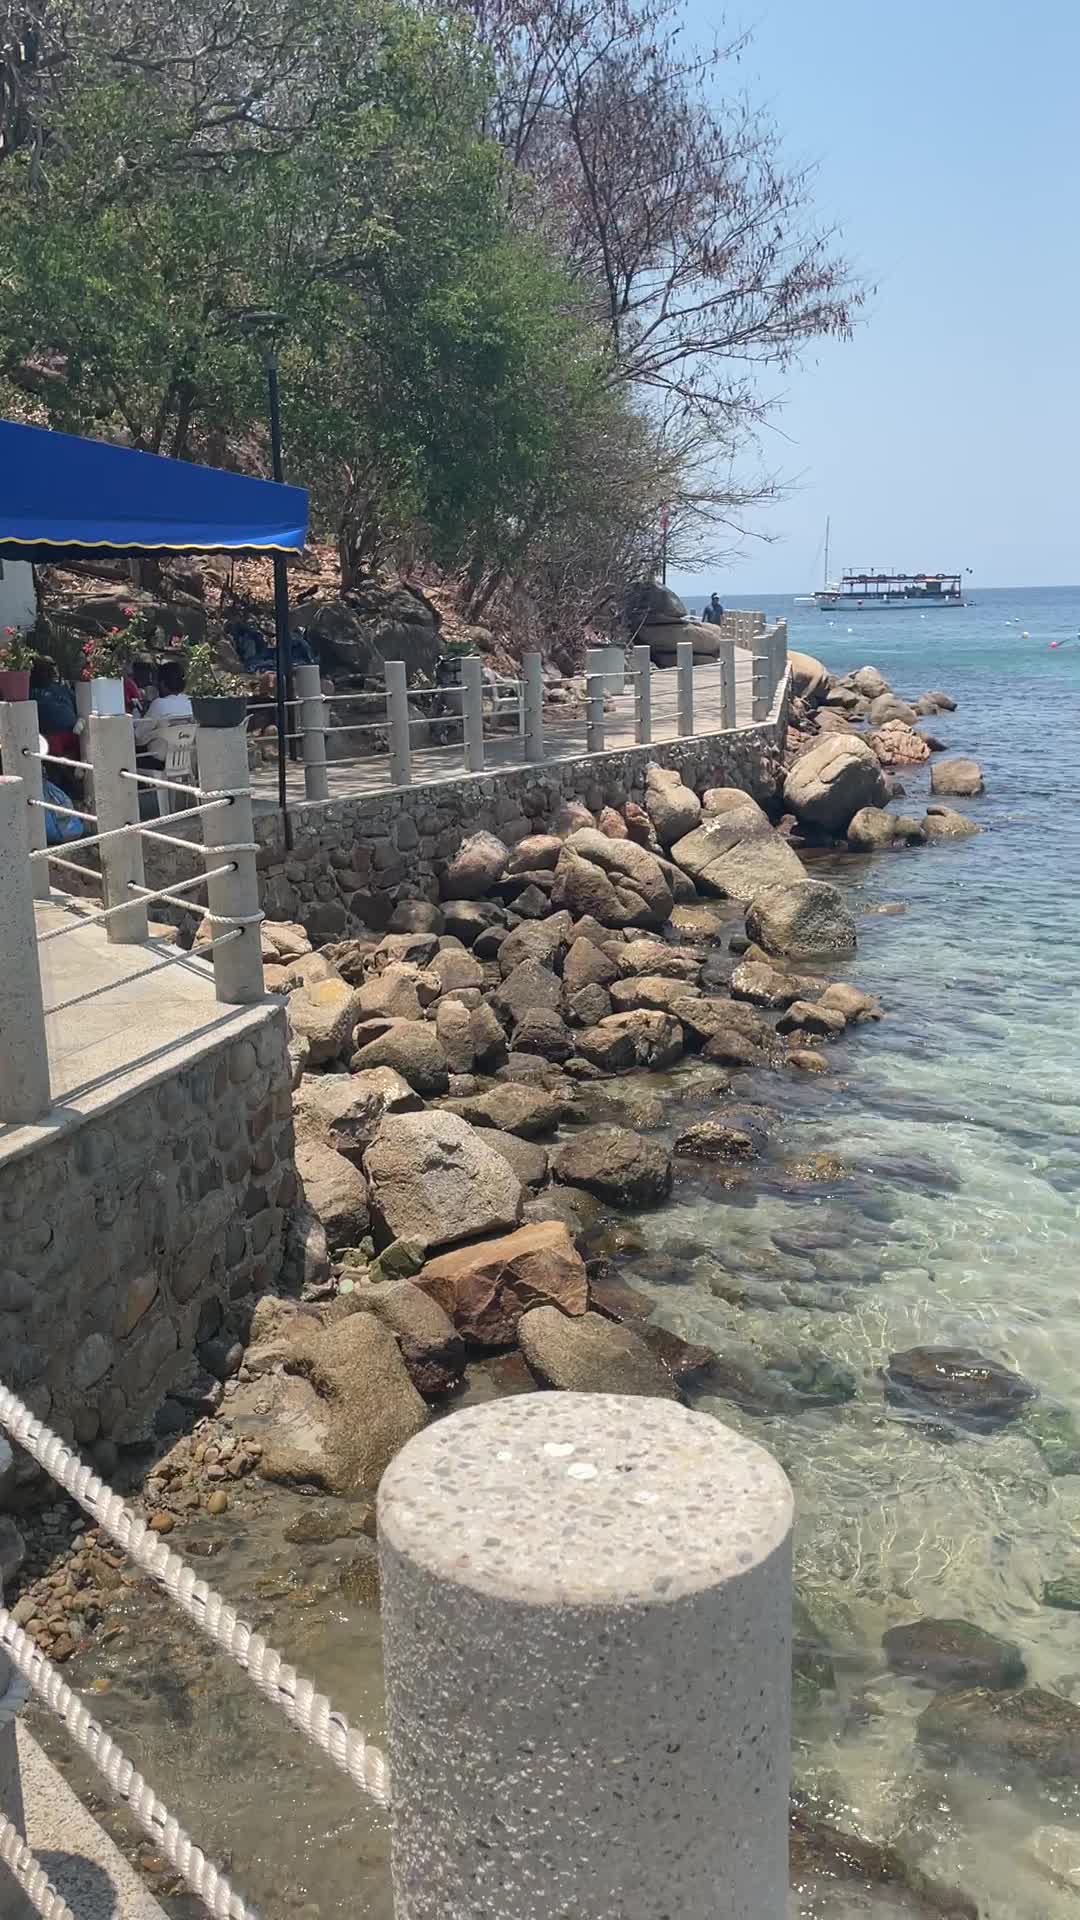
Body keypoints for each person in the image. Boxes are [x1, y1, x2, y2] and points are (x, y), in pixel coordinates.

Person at [134, 659, 193, 769]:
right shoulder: (191, 702)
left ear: (162, 684)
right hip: (187, 759)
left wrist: (137, 714)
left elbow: (138, 738)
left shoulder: (159, 704)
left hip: (159, 761)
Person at [29, 656, 80, 756]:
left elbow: (76, 705)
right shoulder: (32, 693)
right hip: (52, 737)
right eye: (46, 670)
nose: (51, 673)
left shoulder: (62, 689)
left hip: (70, 734)